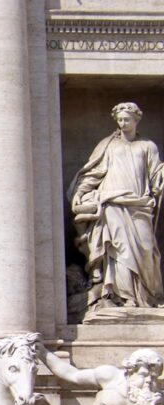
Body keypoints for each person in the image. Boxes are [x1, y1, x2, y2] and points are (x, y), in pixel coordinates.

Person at [68, 102, 164, 309]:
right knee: (119, 251)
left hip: (140, 205)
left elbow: (156, 174)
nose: (122, 123)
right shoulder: (108, 145)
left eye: (127, 119)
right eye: (119, 120)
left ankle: (146, 298)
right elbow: (94, 173)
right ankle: (125, 297)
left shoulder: (148, 146)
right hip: (112, 203)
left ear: (136, 120)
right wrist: (82, 192)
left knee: (146, 250)